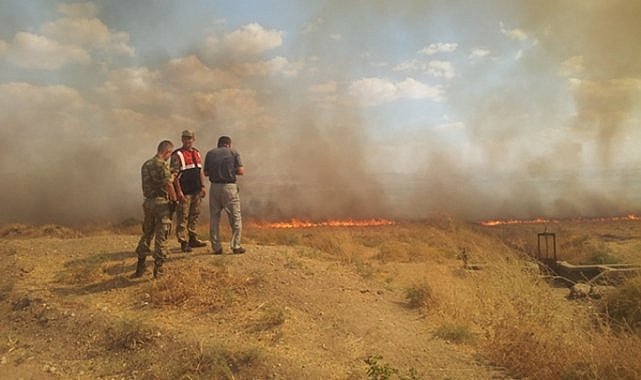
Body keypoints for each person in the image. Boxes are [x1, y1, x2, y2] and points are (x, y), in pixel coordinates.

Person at [132, 140, 177, 278]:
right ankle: (159, 270)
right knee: (161, 235)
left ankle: (140, 266)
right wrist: (174, 199)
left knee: (147, 233)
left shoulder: (146, 164)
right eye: (170, 154)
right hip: (161, 204)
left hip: (148, 203)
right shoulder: (161, 165)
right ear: (167, 152)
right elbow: (168, 184)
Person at [203, 135, 245, 254]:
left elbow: (205, 173)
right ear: (228, 144)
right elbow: (241, 171)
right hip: (229, 187)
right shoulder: (233, 152)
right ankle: (236, 246)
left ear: (219, 144)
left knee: (214, 217)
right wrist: (231, 170)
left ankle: (216, 247)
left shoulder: (210, 153)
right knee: (235, 217)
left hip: (214, 187)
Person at [170, 130, 208, 253]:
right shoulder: (177, 154)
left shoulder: (197, 153)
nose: (188, 140)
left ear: (193, 139)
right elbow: (174, 175)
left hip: (197, 190)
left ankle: (193, 238)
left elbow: (200, 171)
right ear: (182, 139)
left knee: (194, 215)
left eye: (190, 138)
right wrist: (178, 192)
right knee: (183, 217)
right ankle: (183, 242)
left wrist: (203, 186)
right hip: (184, 191)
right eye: (185, 138)